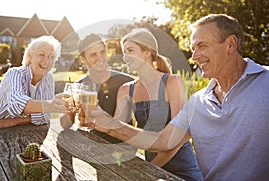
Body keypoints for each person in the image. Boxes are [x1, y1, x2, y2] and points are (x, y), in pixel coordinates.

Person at [86, 14, 269, 180]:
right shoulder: (198, 102)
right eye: (193, 49)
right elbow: (164, 141)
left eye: (202, 46)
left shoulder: (265, 82)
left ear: (230, 44)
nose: (194, 57)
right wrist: (108, 125)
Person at [112, 28, 202, 180]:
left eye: (130, 50)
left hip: (183, 171)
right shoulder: (126, 90)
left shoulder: (172, 82)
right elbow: (118, 132)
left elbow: (178, 138)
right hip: (151, 171)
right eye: (124, 51)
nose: (125, 57)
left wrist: (150, 170)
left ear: (147, 51)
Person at [0, 35, 69, 129]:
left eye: (51, 57)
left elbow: (45, 116)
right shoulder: (15, 74)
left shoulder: (48, 78)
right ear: (30, 57)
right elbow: (16, 104)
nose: (47, 61)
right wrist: (50, 105)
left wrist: (15, 121)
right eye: (41, 55)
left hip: (23, 130)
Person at [63, 33, 134, 141]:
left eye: (102, 52)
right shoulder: (78, 86)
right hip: (88, 142)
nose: (100, 58)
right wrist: (67, 109)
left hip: (120, 146)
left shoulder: (127, 82)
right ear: (83, 59)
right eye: (93, 55)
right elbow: (65, 125)